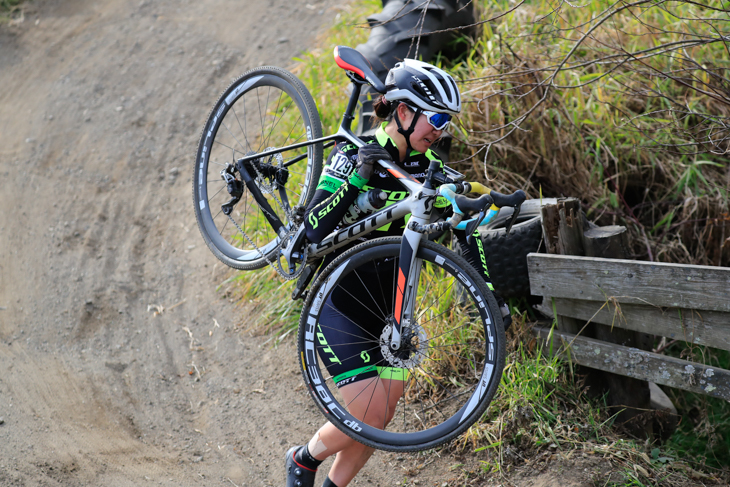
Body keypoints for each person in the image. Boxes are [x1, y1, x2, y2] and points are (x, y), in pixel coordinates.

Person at [285, 59, 511, 487]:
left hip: (392, 316)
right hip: (339, 302)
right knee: (368, 415)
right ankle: (303, 459)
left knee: (381, 418)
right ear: (403, 112)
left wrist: (492, 296)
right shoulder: (354, 153)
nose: (441, 131)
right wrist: (356, 179)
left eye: (448, 122)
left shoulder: (433, 173)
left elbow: (466, 235)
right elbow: (311, 229)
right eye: (437, 118)